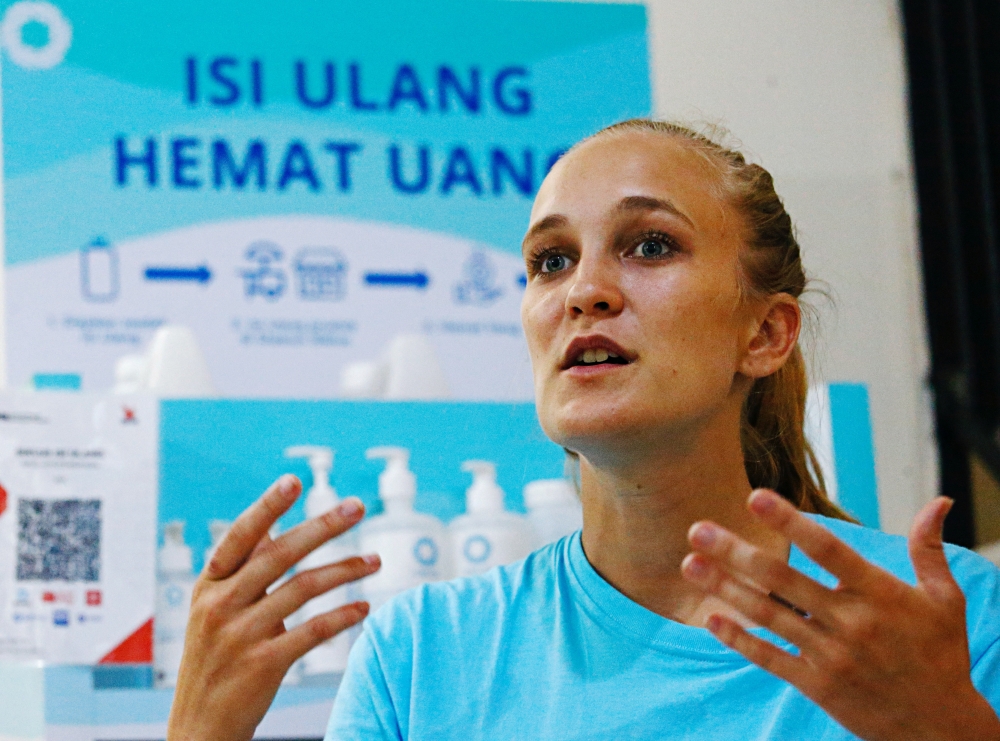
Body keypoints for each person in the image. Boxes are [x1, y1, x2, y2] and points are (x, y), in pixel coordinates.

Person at [166, 120, 1000, 741]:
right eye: (550, 261)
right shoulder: (422, 655)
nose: (585, 291)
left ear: (766, 334)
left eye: (648, 244)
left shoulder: (948, 622)